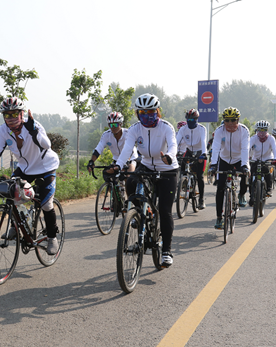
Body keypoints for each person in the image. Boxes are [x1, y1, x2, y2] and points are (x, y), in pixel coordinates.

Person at [0, 97, 61, 254]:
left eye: (15, 114)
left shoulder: (32, 125)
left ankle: (52, 237)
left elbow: (47, 145)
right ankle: (16, 226)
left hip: (45, 167)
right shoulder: (3, 130)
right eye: (7, 115)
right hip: (25, 168)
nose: (11, 118)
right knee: (12, 193)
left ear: (22, 114)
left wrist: (34, 131)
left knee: (46, 204)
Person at [107, 93, 179, 268]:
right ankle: (138, 213)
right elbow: (126, 150)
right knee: (131, 182)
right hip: (146, 165)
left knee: (165, 210)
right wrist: (118, 165)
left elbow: (173, 144)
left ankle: (167, 251)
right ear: (137, 113)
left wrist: (169, 156)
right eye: (142, 112)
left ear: (157, 111)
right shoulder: (134, 129)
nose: (146, 115)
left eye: (151, 112)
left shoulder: (166, 127)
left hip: (167, 169)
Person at [209, 107, 250, 229]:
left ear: (238, 120)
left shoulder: (244, 131)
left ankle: (241, 194)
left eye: (233, 120)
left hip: (239, 159)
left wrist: (244, 165)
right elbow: (215, 148)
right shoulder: (219, 131)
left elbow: (245, 149)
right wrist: (213, 165)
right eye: (227, 120)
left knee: (245, 174)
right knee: (220, 188)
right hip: (224, 159)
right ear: (224, 121)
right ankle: (219, 217)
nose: (230, 123)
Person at [87, 111, 138, 177]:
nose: (113, 127)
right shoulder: (106, 135)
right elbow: (98, 149)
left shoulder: (128, 133)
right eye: (111, 125)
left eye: (115, 125)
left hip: (130, 159)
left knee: (128, 177)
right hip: (117, 160)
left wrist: (125, 163)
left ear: (120, 124)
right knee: (108, 176)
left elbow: (130, 150)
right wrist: (91, 161)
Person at [175, 108, 208, 209]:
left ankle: (201, 199)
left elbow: (203, 142)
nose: (190, 122)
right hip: (188, 151)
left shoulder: (202, 129)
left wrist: (203, 154)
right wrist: (172, 153)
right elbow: (176, 142)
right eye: (188, 120)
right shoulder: (183, 129)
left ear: (196, 119)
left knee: (200, 176)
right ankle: (184, 184)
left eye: (192, 120)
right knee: (182, 170)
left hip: (199, 152)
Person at [249, 120, 276, 201]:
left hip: (267, 159)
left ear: (267, 130)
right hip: (255, 159)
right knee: (252, 176)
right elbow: (247, 149)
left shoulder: (271, 138)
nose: (262, 132)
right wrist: (246, 159)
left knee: (267, 171)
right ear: (257, 130)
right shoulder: (253, 138)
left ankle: (269, 189)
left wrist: (275, 159)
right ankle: (251, 196)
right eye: (260, 130)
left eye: (264, 130)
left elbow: (275, 149)